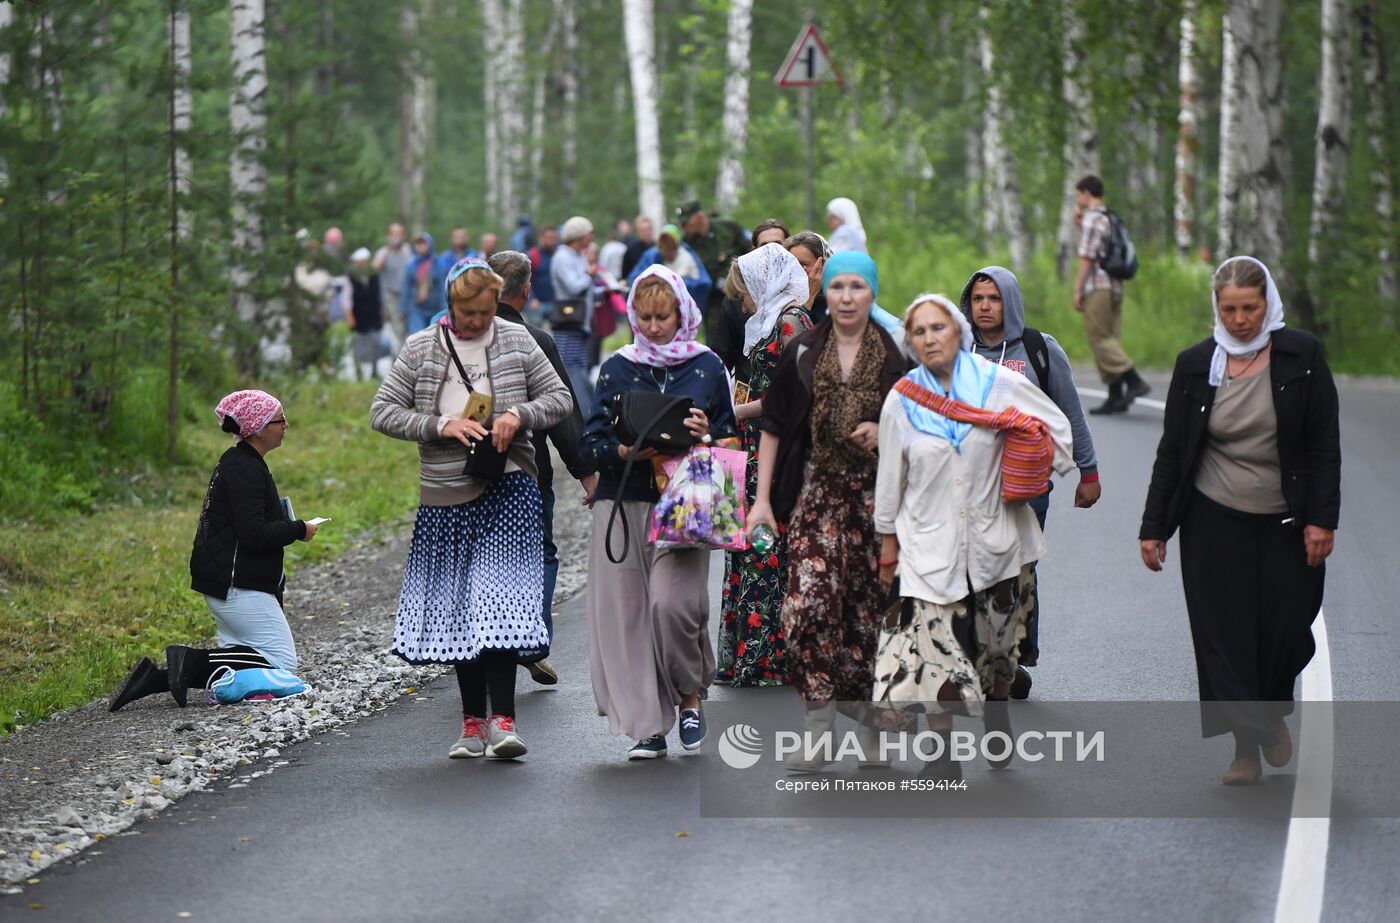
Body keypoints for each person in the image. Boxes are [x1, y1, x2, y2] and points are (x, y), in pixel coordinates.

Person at [1139, 256, 1339, 786]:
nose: (1240, 320)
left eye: (1250, 308)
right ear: (1217, 308)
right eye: (1229, 309)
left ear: (1267, 303)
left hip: (1287, 519)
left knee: (1285, 629)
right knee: (1225, 638)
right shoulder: (1195, 364)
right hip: (1213, 518)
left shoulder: (1302, 356)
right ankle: (1245, 748)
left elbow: (1323, 445)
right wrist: (1154, 525)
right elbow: (1173, 451)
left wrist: (1322, 518)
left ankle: (1269, 711)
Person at [371, 259, 572, 760]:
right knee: (461, 606)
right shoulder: (421, 347)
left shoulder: (518, 340)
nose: (477, 321)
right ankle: (471, 726)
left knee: (499, 602)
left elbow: (560, 399)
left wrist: (517, 414)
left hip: (509, 487)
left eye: (485, 311)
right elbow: (382, 411)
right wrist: (439, 425)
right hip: (446, 493)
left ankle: (504, 723)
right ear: (449, 303)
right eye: (467, 312)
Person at [873, 295, 1074, 775]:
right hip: (928, 544)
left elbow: (1056, 429)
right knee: (933, 646)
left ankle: (997, 710)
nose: (929, 339)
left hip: (997, 542)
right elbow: (889, 475)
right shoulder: (903, 398)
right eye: (919, 332)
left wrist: (1037, 462)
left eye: (938, 328)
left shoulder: (1001, 385)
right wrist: (886, 542)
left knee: (998, 649)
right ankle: (941, 754)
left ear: (959, 334)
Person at [746, 250, 909, 771]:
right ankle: (818, 729)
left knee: (867, 620)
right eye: (837, 287)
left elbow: (918, 430)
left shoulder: (892, 357)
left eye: (857, 287)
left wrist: (885, 432)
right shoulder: (803, 350)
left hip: (874, 504)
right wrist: (762, 501)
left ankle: (874, 731)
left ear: (872, 293)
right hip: (814, 499)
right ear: (825, 291)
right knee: (808, 610)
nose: (846, 297)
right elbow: (772, 425)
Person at [581, 265, 739, 760]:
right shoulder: (616, 367)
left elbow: (732, 439)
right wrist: (626, 452)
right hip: (623, 501)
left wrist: (704, 433)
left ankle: (690, 697)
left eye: (662, 316)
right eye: (644, 317)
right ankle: (648, 725)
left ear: (681, 312)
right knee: (627, 618)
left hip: (688, 504)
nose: (653, 326)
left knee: (673, 608)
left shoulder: (709, 365)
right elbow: (593, 441)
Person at [111, 391, 318, 711]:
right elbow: (253, 534)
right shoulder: (245, 468)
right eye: (280, 420)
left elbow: (246, 525)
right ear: (260, 428)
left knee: (245, 662)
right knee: (282, 666)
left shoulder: (241, 462)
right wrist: (298, 529)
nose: (286, 425)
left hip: (229, 579)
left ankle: (156, 678)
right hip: (237, 584)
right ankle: (186, 662)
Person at [958, 265, 1101, 697]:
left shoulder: (1039, 349)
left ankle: (1011, 658)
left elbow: (1070, 412)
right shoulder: (958, 348)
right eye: (979, 299)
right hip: (970, 488)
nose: (985, 307)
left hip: (1027, 487)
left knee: (1017, 574)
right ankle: (995, 659)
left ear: (1010, 302)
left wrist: (1088, 471)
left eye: (994, 298)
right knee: (970, 575)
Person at [487, 250, 599, 686]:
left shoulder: (457, 337)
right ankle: (530, 640)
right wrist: (587, 471)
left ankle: (485, 642)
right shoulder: (536, 340)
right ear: (527, 290)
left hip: (467, 474)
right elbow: (562, 413)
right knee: (539, 554)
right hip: (528, 472)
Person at [715, 244, 813, 687]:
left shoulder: (792, 321)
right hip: (754, 449)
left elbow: (797, 394)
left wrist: (736, 412)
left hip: (777, 449)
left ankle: (771, 658)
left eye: (745, 293)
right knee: (755, 550)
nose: (742, 303)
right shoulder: (768, 322)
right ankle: (748, 656)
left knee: (767, 550)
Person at [1073, 174, 1151, 414]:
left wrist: (1078, 289)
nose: (1077, 199)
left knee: (1100, 338)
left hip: (1098, 286)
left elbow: (1087, 256)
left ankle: (1134, 380)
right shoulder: (1109, 218)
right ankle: (1115, 396)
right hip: (1116, 286)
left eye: (1078, 194)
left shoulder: (1091, 219)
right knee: (1112, 337)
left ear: (1086, 193)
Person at [712, 218, 790, 374]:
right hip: (747, 387)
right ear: (754, 251)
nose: (771, 252)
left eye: (777, 245)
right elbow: (722, 355)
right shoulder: (737, 298)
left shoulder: (800, 292)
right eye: (764, 247)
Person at [677, 199, 752, 339]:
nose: (683, 227)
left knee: (745, 335)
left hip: (741, 294)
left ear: (699, 217)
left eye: (686, 222)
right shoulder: (687, 242)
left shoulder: (728, 228)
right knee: (716, 339)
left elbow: (750, 251)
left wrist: (736, 277)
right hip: (713, 300)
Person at [551, 216, 598, 416]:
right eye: (589, 232)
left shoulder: (578, 256)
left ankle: (586, 412)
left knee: (580, 368)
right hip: (568, 324)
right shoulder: (562, 257)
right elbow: (573, 286)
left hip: (580, 324)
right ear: (580, 235)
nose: (592, 237)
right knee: (572, 370)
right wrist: (589, 274)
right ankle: (581, 415)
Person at [627, 223, 711, 309]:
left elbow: (678, 282)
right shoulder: (656, 256)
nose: (665, 251)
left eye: (668, 246)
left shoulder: (685, 257)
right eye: (662, 247)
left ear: (676, 246)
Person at [347, 247, 385, 381]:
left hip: (374, 314)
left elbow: (380, 294)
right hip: (359, 316)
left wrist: (382, 310)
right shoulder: (351, 276)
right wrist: (350, 316)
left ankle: (375, 370)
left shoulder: (374, 275)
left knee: (376, 343)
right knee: (358, 344)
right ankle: (359, 372)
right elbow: (347, 298)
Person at [374, 222, 411, 342]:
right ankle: (402, 355)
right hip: (392, 295)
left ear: (403, 235)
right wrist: (389, 249)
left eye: (398, 233)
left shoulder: (408, 250)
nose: (396, 236)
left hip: (408, 294)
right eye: (393, 234)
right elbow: (375, 267)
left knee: (409, 326)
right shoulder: (383, 252)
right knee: (398, 327)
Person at [783, 230, 829, 327]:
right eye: (791, 264)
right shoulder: (782, 299)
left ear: (821, 265)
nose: (796, 270)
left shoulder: (832, 302)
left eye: (803, 264)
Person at [400, 231, 441, 335]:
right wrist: (402, 309)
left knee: (433, 337)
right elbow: (407, 288)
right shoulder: (412, 264)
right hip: (416, 308)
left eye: (424, 243)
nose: (421, 246)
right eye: (418, 244)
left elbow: (441, 287)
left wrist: (445, 309)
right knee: (417, 336)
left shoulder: (437, 263)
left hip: (434, 308)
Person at [527, 225, 559, 326]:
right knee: (537, 336)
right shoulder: (533, 255)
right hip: (537, 303)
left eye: (554, 238)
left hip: (555, 302)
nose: (552, 240)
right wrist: (532, 298)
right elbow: (525, 279)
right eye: (549, 238)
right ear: (541, 238)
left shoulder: (558, 255)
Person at [621, 215, 656, 279]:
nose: (646, 233)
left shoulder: (658, 248)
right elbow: (625, 275)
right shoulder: (631, 251)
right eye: (643, 230)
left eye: (648, 229)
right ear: (638, 232)